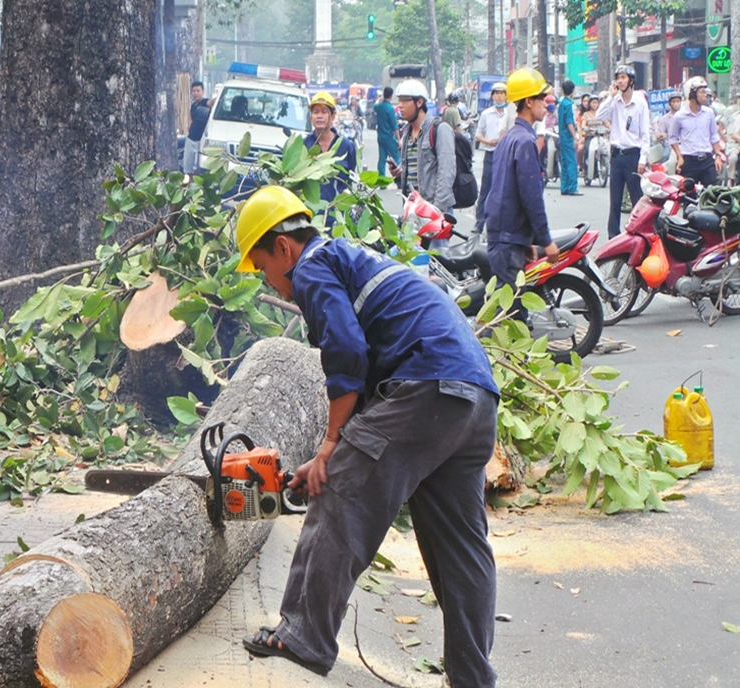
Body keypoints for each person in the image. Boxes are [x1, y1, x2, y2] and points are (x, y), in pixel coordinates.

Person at [234, 184, 500, 686]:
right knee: (461, 550)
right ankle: (472, 679)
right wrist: (337, 446)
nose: (270, 283)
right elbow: (375, 386)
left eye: (263, 267)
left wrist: (330, 447)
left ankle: (303, 634)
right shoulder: (350, 259)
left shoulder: (312, 267)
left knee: (339, 491)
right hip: (474, 399)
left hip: (426, 389)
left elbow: (347, 353)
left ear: (284, 248)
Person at [485, 68, 560, 325]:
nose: (546, 104)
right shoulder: (525, 142)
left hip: (505, 236)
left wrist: (525, 240)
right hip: (506, 241)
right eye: (542, 98)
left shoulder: (510, 138)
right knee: (511, 320)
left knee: (506, 314)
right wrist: (545, 240)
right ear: (529, 101)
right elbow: (531, 198)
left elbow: (506, 192)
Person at [595, 65, 650, 238]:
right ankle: (613, 235)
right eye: (618, 78)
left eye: (624, 77)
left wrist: (643, 159)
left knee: (637, 199)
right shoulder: (615, 102)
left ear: (631, 81)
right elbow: (599, 116)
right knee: (615, 200)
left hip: (633, 155)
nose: (620, 81)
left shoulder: (640, 102)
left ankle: (639, 233)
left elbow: (645, 134)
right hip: (617, 155)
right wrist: (611, 96)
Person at [389, 79, 455, 215]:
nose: (400, 106)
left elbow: (447, 172)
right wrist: (398, 174)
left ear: (419, 102)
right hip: (412, 211)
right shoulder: (406, 133)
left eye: (405, 101)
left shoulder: (439, 129)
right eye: (399, 101)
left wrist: (437, 210)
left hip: (434, 211)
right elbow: (415, 172)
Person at [304, 91, 357, 214]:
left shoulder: (346, 146)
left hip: (337, 213)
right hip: (310, 213)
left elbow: (349, 180)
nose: (319, 116)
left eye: (324, 112)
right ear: (310, 117)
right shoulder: (304, 145)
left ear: (333, 117)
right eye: (316, 112)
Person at [669, 76, 726, 189]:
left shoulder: (709, 113)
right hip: (689, 161)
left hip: (707, 160)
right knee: (688, 197)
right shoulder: (679, 116)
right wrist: (679, 156)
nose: (705, 94)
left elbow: (714, 136)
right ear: (692, 94)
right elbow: (672, 138)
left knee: (713, 195)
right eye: (702, 92)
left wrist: (718, 155)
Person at [474, 81, 509, 233]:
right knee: (485, 190)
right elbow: (478, 135)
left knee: (503, 190)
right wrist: (488, 141)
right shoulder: (486, 114)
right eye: (497, 93)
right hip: (490, 153)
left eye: (502, 93)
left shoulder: (510, 114)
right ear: (493, 96)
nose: (500, 96)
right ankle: (479, 222)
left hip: (505, 155)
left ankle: (500, 223)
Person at [183, 80, 213, 175]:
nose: (195, 93)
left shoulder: (205, 103)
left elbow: (212, 102)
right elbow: (190, 118)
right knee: (188, 167)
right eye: (194, 91)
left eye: (198, 91)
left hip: (200, 140)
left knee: (197, 167)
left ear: (203, 91)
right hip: (191, 138)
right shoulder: (193, 106)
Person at [558, 80, 581, 196]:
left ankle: (564, 186)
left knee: (564, 161)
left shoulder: (561, 103)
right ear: (572, 90)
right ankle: (572, 187)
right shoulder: (569, 104)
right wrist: (575, 137)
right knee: (572, 161)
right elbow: (569, 122)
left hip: (561, 136)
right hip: (567, 136)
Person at [653, 91, 683, 173]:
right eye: (673, 102)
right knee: (667, 158)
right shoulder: (664, 119)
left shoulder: (684, 116)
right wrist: (662, 135)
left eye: (678, 101)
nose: (676, 104)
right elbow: (660, 134)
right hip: (670, 145)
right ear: (670, 104)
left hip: (684, 144)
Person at [374, 86, 400, 176]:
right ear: (391, 96)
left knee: (382, 159)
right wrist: (399, 140)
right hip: (389, 137)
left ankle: (381, 181)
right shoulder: (390, 108)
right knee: (396, 157)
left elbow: (375, 105)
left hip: (381, 137)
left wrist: (379, 99)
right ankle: (400, 179)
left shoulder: (379, 106)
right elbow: (394, 126)